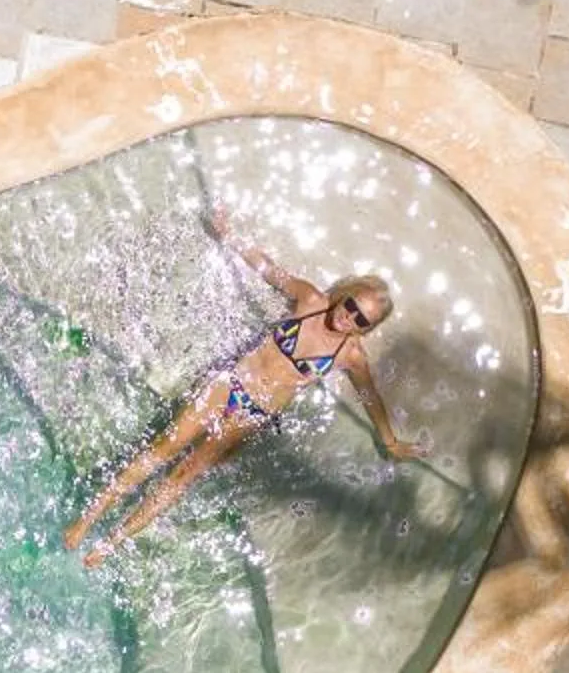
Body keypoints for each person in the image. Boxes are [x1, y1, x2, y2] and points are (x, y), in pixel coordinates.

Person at [63, 210, 422, 566]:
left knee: (184, 474)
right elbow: (270, 271)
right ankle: (88, 519)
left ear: (365, 329)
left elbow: (368, 394)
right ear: (343, 294)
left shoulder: (351, 355)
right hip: (229, 383)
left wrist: (388, 439)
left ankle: (113, 542)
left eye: (361, 320)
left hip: (255, 413)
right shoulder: (311, 301)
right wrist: (230, 236)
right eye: (351, 306)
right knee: (164, 447)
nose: (349, 317)